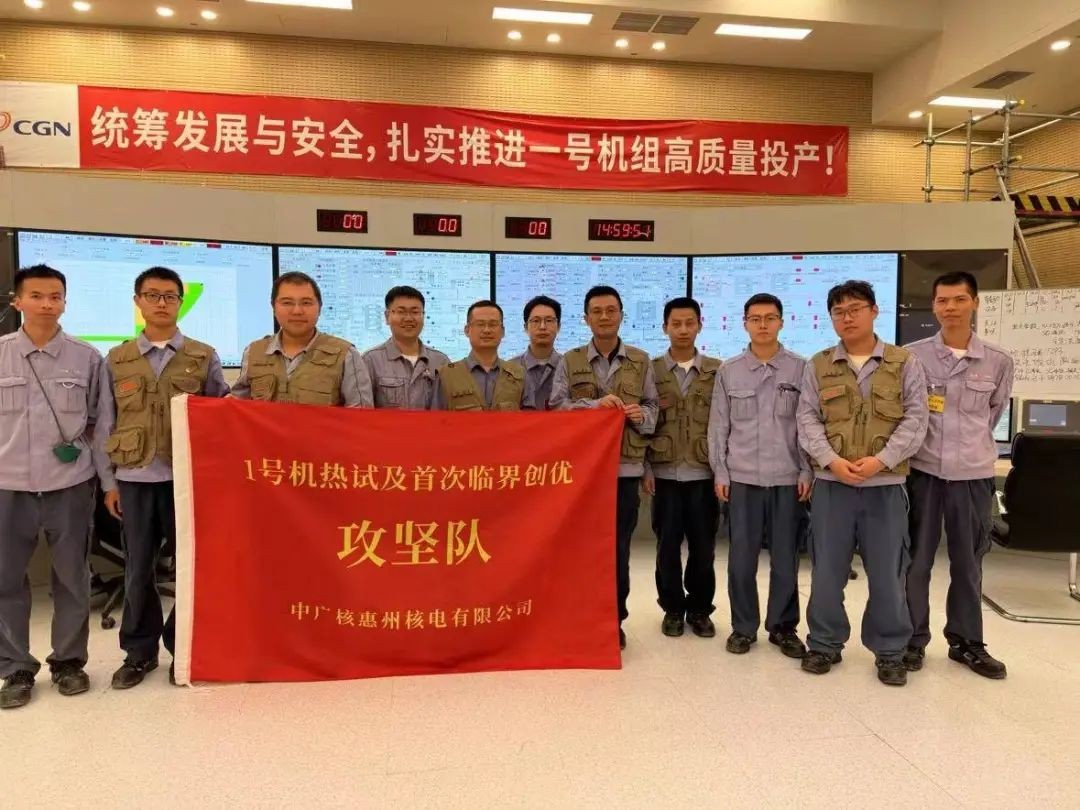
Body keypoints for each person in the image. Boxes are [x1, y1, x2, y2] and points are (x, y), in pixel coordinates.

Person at [98, 267, 230, 689]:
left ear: (180, 302)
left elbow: (223, 417)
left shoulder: (203, 356)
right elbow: (105, 425)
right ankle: (139, 654)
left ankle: (184, 650)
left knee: (191, 570)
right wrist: (109, 484)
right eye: (152, 295)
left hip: (187, 481)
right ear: (137, 301)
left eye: (170, 296)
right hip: (134, 480)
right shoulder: (116, 359)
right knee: (138, 570)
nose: (161, 303)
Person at [797, 280, 928, 687]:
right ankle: (824, 643)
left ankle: (890, 651)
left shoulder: (904, 363)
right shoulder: (817, 365)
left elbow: (916, 418)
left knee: (888, 574)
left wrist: (881, 461)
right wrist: (831, 461)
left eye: (855, 309)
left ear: (874, 311)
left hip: (884, 487)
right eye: (839, 312)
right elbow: (806, 419)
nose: (847, 317)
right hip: (832, 485)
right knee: (826, 571)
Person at [0, 265, 115, 709]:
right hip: (9, 486)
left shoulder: (87, 358)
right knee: (7, 580)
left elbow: (99, 427)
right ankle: (15, 668)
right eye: (37, 296)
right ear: (18, 301)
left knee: (72, 578)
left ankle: (69, 662)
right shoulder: (2, 353)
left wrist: (107, 482)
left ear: (65, 302)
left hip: (69, 485)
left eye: (55, 296)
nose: (47, 304)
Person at [903, 271, 1013, 679]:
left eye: (959, 299)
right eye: (943, 300)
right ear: (933, 306)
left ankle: (967, 642)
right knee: (915, 561)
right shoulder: (912, 357)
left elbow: (993, 414)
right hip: (924, 473)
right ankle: (911, 639)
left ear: (975, 303)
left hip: (972, 476)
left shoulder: (998, 361)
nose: (950, 307)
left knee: (968, 563)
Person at [551, 285, 659, 650]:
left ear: (621, 315)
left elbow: (654, 409)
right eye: (596, 311)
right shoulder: (570, 361)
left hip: (624, 471)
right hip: (581, 475)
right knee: (578, 549)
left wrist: (640, 415)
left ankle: (613, 620)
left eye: (611, 310)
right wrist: (593, 407)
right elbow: (557, 408)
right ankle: (578, 615)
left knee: (618, 550)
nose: (604, 317)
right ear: (586, 318)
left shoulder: (641, 360)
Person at [709, 293, 810, 658]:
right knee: (741, 560)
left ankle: (783, 627)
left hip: (787, 478)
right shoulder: (729, 370)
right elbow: (719, 426)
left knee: (785, 559)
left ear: (782, 322)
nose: (763, 325)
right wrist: (720, 471)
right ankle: (743, 627)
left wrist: (807, 469)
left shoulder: (801, 369)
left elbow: (807, 424)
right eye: (755, 319)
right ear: (745, 323)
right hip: (742, 479)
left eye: (770, 318)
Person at [643, 297, 720, 639]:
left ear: (700, 325)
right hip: (664, 473)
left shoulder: (718, 370)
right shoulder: (650, 370)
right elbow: (643, 422)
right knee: (667, 547)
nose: (683, 329)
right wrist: (646, 467)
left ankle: (700, 610)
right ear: (665, 328)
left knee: (704, 547)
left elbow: (725, 424)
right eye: (676, 324)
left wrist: (723, 471)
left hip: (704, 472)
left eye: (690, 323)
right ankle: (673, 609)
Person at [231, 271, 372, 406]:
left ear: (320, 308)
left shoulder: (346, 355)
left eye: (306, 303)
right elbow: (237, 409)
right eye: (287, 303)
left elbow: (360, 417)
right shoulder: (253, 352)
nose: (297, 311)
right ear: (273, 307)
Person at [362, 285, 449, 409]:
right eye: (401, 312)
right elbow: (362, 412)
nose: (408, 318)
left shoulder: (441, 361)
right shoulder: (370, 360)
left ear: (423, 315)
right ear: (387, 316)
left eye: (415, 312)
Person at [433, 300, 525, 411]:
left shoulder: (520, 374)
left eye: (493, 324)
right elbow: (435, 419)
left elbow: (532, 419)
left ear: (502, 331)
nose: (487, 330)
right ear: (467, 330)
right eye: (480, 324)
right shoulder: (446, 375)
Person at [512, 295, 562, 411]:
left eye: (549, 320)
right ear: (526, 327)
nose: (542, 327)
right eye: (536, 321)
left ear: (558, 327)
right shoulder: (510, 369)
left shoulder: (568, 367)